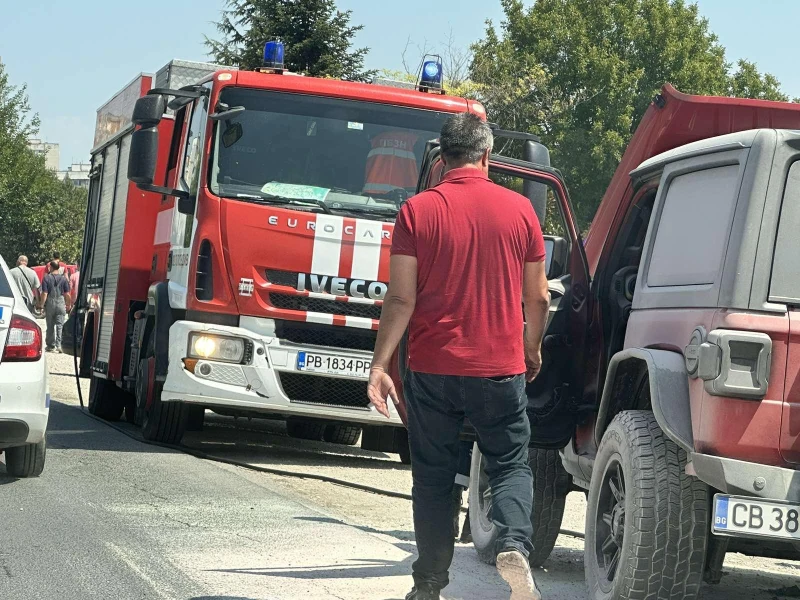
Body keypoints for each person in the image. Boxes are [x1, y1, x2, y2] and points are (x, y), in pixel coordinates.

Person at [367, 113, 551, 600]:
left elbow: (400, 299)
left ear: (441, 158)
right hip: (499, 367)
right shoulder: (520, 212)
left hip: (432, 368)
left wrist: (380, 366)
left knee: (432, 478)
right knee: (510, 463)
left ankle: (428, 585)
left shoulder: (416, 211)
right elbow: (539, 298)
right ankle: (512, 544)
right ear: (487, 156)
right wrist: (530, 348)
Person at [40, 261, 72, 352]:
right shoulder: (64, 279)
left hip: (50, 302)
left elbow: (45, 293)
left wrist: (42, 305)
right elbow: (67, 294)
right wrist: (68, 304)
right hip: (61, 302)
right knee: (60, 325)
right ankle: (59, 345)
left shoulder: (46, 278)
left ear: (51, 268)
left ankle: (50, 345)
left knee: (50, 325)